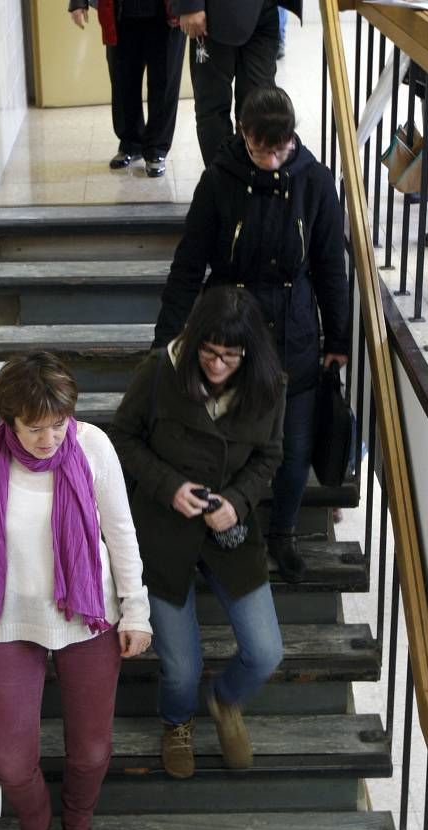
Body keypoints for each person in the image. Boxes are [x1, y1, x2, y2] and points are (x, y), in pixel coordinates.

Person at [0, 353, 151, 830]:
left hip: (87, 617)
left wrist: (137, 609)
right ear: (8, 420)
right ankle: (35, 826)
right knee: (10, 763)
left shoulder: (92, 446)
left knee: (91, 749)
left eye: (58, 424)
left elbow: (121, 532)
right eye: (35, 428)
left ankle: (78, 824)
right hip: (8, 621)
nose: (50, 439)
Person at [153, 86, 350, 583]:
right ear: (244, 135)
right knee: (221, 442)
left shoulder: (316, 182)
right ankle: (218, 530)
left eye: (282, 148)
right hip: (229, 332)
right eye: (264, 148)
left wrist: (339, 340)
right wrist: (166, 341)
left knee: (294, 446)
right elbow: (188, 266)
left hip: (295, 333)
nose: (273, 158)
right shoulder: (218, 181)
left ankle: (281, 534)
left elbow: (330, 266)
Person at [110, 287, 286, 780]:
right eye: (208, 352)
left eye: (229, 356)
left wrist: (239, 500)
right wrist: (169, 486)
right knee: (181, 668)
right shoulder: (159, 372)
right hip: (163, 531)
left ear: (247, 352)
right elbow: (120, 439)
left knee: (266, 651)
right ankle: (177, 721)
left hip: (229, 532)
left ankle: (225, 701)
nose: (216, 365)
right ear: (192, 341)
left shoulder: (270, 385)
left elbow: (270, 456)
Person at [176, 0, 302, 165]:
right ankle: (221, 180)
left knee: (261, 106)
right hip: (214, 16)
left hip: (265, 11)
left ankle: (251, 181)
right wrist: (190, 5)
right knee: (213, 107)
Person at [69, 0, 185, 176]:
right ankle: (130, 143)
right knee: (123, 80)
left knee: (165, 82)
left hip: (166, 12)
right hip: (121, 13)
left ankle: (157, 150)